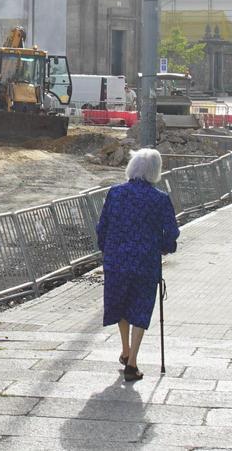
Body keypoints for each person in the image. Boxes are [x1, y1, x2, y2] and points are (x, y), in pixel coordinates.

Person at [95, 149, 180, 382]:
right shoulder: (160, 199)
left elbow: (102, 227)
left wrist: (107, 250)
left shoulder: (115, 193)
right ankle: (132, 362)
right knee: (140, 308)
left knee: (121, 305)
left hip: (116, 261)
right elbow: (171, 233)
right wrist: (165, 247)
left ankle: (124, 349)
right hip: (145, 262)